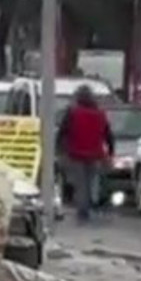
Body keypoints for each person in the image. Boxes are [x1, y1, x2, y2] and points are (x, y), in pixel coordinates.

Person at [56, 84, 114, 222]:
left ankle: (83, 211)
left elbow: (63, 132)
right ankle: (90, 205)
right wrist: (110, 151)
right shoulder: (100, 114)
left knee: (80, 184)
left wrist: (59, 149)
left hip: (76, 153)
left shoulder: (72, 113)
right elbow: (108, 135)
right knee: (90, 182)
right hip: (95, 154)